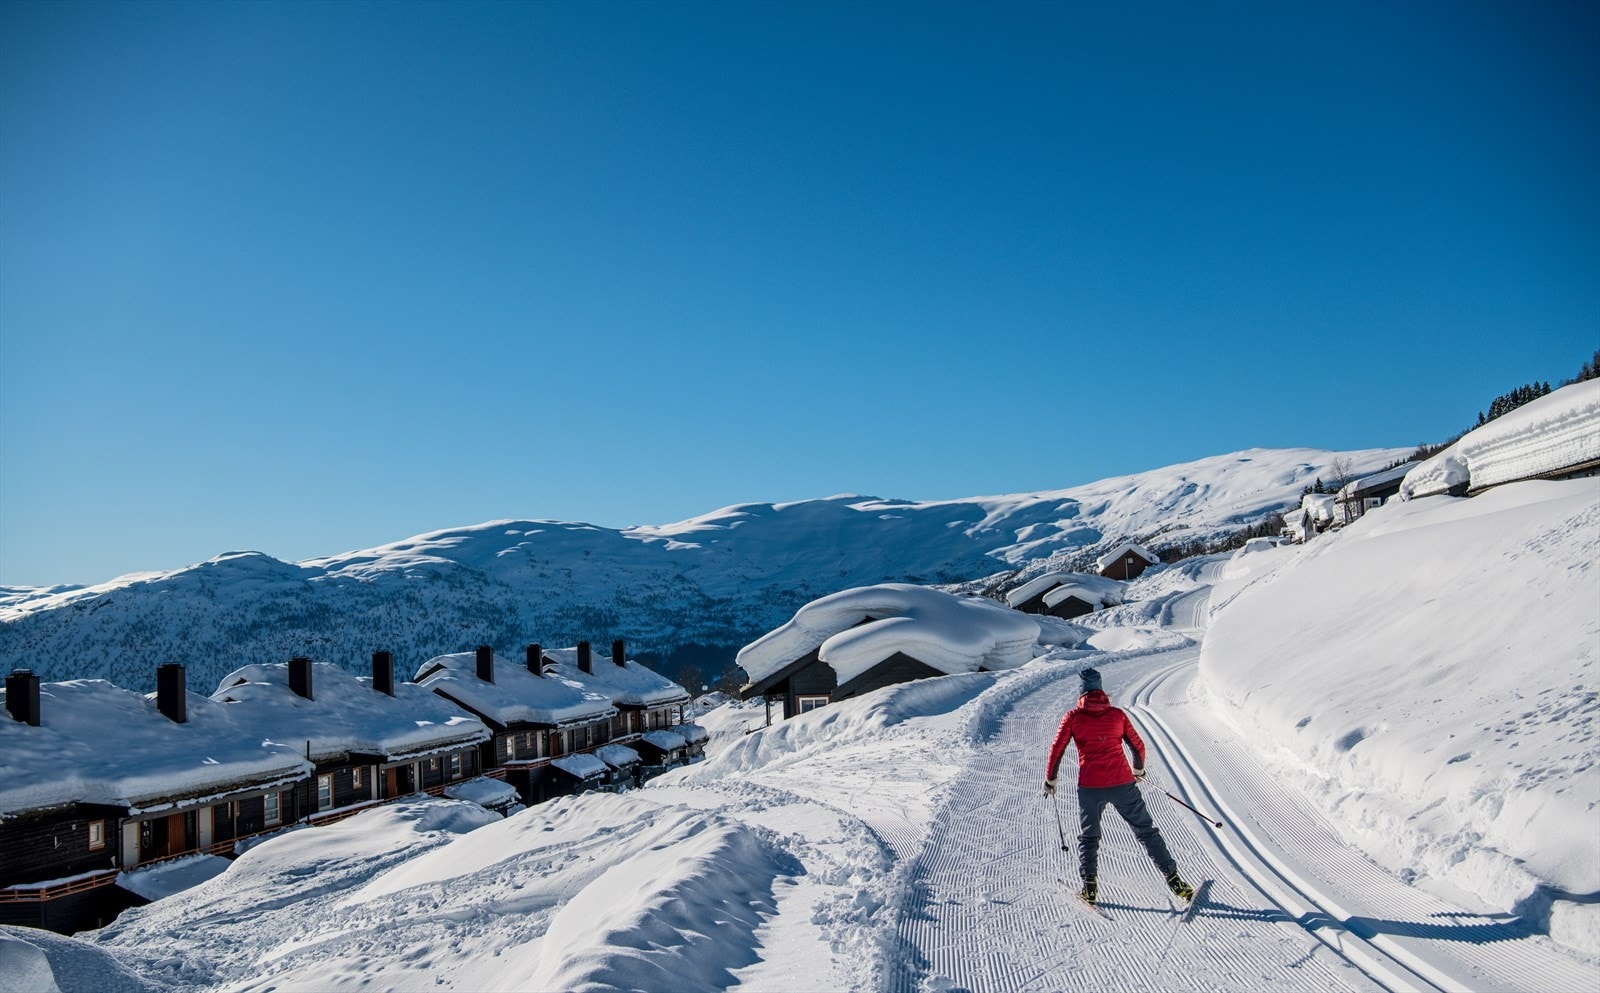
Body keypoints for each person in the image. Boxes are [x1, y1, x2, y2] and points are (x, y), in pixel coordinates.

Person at [1044, 667, 1193, 905]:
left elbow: (1057, 749)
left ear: (1081, 691)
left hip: (1090, 787)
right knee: (1146, 831)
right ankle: (1174, 879)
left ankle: (1089, 886)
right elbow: (1137, 745)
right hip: (1123, 783)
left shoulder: (1072, 717)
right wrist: (1138, 770)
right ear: (1101, 689)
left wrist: (1051, 779)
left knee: (1089, 837)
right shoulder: (1117, 715)